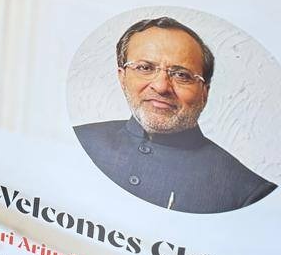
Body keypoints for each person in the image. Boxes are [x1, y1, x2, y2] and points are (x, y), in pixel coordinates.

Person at [75, 16, 276, 213]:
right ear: (122, 77)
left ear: (204, 92)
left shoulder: (249, 194)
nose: (161, 86)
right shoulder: (79, 140)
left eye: (181, 75)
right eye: (145, 68)